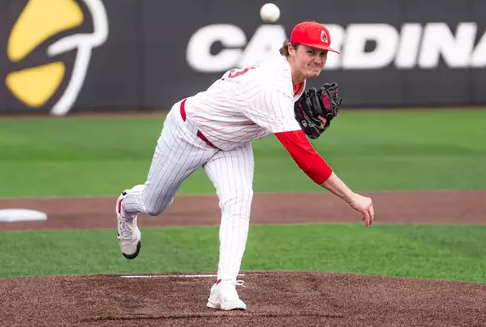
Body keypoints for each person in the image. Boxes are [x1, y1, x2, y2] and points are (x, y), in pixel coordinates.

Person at [115, 21, 375, 311]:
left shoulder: (295, 81)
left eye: (323, 54)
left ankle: (223, 287)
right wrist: (352, 197)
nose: (317, 59)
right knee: (154, 204)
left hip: (232, 144)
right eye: (310, 51)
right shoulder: (272, 87)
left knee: (238, 201)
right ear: (291, 49)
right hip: (189, 132)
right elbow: (305, 158)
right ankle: (125, 207)